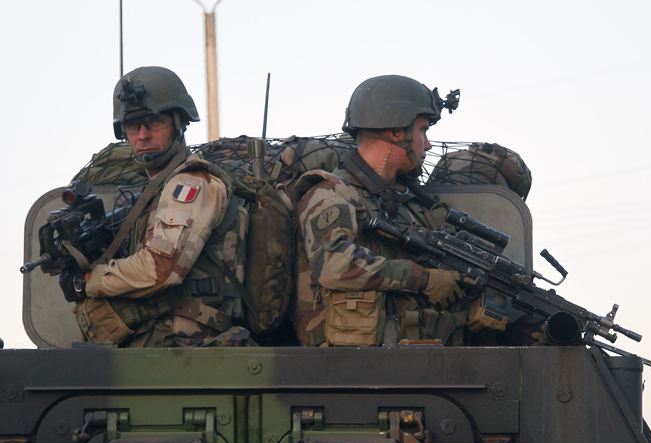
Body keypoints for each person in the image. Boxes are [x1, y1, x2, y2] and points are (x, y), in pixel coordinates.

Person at [292, 74, 490, 347]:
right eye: (423, 130)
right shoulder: (330, 193)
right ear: (396, 131)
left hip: (414, 362)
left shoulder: (410, 204)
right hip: (345, 370)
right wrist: (422, 278)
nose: (428, 144)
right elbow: (335, 264)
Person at [66, 66, 251, 348]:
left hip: (188, 342)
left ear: (179, 122)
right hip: (163, 338)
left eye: (153, 122)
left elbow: (160, 269)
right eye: (132, 125)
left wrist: (91, 280)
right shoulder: (157, 189)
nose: (142, 135)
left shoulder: (191, 182)